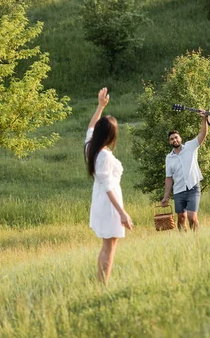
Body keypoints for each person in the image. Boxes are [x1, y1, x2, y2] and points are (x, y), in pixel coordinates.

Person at [84, 87, 133, 285]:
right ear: (111, 135)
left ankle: (100, 282)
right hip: (109, 204)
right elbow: (107, 186)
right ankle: (102, 284)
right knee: (109, 247)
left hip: (102, 202)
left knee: (108, 246)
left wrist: (100, 106)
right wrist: (122, 212)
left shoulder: (90, 146)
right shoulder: (103, 155)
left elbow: (90, 127)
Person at [160, 109, 208, 231]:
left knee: (192, 217)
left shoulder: (190, 147)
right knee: (181, 218)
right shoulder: (169, 158)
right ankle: (184, 241)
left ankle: (196, 238)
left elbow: (203, 134)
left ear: (180, 138)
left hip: (193, 187)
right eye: (171, 139)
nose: (174, 140)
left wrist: (204, 119)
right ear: (169, 142)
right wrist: (166, 196)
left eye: (176, 137)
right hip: (179, 190)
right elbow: (169, 178)